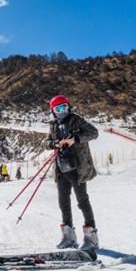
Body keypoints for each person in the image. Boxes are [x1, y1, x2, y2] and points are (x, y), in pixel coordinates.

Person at [43, 94, 99, 256]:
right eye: (58, 109)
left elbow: (94, 133)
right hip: (61, 168)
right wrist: (55, 143)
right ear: (53, 111)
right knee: (63, 202)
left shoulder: (76, 120)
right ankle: (69, 236)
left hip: (77, 168)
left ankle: (91, 238)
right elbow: (46, 142)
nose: (62, 111)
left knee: (82, 201)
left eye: (64, 107)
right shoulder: (53, 124)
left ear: (69, 107)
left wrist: (76, 139)